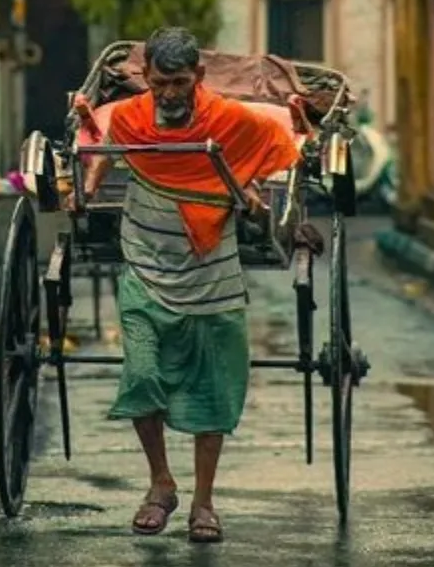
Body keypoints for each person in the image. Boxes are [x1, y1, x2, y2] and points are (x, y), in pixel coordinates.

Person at [69, 27, 301, 543]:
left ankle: (203, 502)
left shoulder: (230, 119)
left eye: (179, 82)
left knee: (212, 383)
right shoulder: (129, 115)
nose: (169, 93)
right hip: (144, 264)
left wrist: (252, 188)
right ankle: (160, 484)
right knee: (142, 373)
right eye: (159, 83)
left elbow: (277, 145)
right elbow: (103, 147)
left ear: (197, 77)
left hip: (211, 268)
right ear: (146, 78)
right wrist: (84, 189)